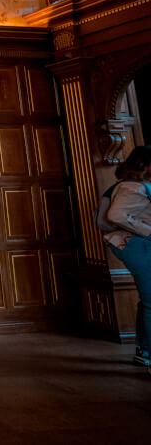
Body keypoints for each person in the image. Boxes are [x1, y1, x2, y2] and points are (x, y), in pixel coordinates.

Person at [105, 145, 151, 373]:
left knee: (149, 300)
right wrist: (147, 230)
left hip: (138, 244)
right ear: (143, 164)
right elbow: (114, 215)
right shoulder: (132, 186)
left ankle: (144, 352)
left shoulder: (138, 185)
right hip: (137, 245)